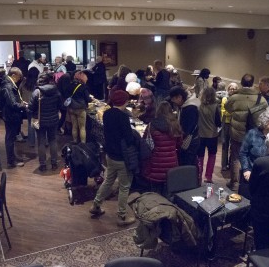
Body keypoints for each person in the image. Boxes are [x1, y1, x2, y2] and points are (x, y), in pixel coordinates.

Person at [89, 90, 136, 226]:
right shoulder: (123, 117)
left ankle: (96, 205)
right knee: (124, 186)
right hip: (122, 157)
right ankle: (122, 216)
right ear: (125, 101)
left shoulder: (107, 114)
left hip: (110, 155)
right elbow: (128, 138)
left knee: (108, 181)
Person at [224, 73, 268, 191]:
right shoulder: (261, 98)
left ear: (241, 83)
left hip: (237, 134)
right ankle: (249, 182)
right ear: (253, 83)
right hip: (254, 134)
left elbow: (228, 108)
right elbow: (266, 116)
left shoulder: (234, 97)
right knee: (252, 157)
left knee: (235, 158)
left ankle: (234, 184)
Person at [141, 101, 183, 194]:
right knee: (168, 193)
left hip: (155, 164)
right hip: (171, 164)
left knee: (155, 194)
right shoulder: (175, 125)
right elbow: (180, 144)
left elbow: (145, 143)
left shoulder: (151, 125)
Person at [239, 110, 269, 199]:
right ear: (265, 122)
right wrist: (246, 169)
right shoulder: (252, 134)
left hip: (268, 176)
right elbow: (243, 153)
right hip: (251, 173)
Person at [28, 72, 62, 171]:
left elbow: (30, 108)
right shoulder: (56, 91)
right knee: (53, 140)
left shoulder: (36, 92)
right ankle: (54, 163)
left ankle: (43, 164)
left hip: (40, 121)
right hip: (53, 120)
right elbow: (60, 106)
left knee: (41, 142)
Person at [1, 67, 27, 168]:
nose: (19, 79)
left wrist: (20, 103)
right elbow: (12, 104)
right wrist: (23, 105)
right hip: (10, 115)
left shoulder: (9, 84)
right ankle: (11, 161)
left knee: (11, 138)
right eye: (19, 77)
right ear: (13, 75)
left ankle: (13, 157)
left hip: (11, 115)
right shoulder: (8, 86)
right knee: (10, 138)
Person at [169, 86, 200, 167]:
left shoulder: (190, 107)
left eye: (173, 99)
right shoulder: (186, 104)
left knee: (187, 164)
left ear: (179, 97)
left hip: (191, 140)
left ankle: (188, 179)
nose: (173, 102)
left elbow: (188, 128)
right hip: (193, 138)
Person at [197, 87, 222, 184]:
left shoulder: (198, 106)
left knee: (200, 157)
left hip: (200, 134)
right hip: (212, 135)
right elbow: (218, 123)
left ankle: (198, 176)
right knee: (212, 155)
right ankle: (208, 176)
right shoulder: (215, 106)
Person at [67, 71, 93, 144]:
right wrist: (91, 99)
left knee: (74, 126)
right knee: (82, 127)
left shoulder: (70, 85)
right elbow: (87, 99)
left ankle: (75, 140)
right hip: (80, 109)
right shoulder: (83, 87)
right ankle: (83, 143)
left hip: (71, 108)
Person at [19, 67, 40, 147]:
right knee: (37, 123)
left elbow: (20, 93)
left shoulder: (24, 83)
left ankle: (31, 142)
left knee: (30, 124)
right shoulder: (37, 84)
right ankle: (42, 141)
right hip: (36, 106)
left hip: (26, 106)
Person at [220, 82, 238, 171]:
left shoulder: (238, 100)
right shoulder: (225, 99)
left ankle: (231, 164)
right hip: (226, 124)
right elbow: (224, 112)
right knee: (225, 144)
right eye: (231, 88)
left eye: (234, 89)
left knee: (234, 145)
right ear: (228, 89)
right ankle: (224, 164)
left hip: (234, 124)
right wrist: (234, 112)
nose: (233, 90)